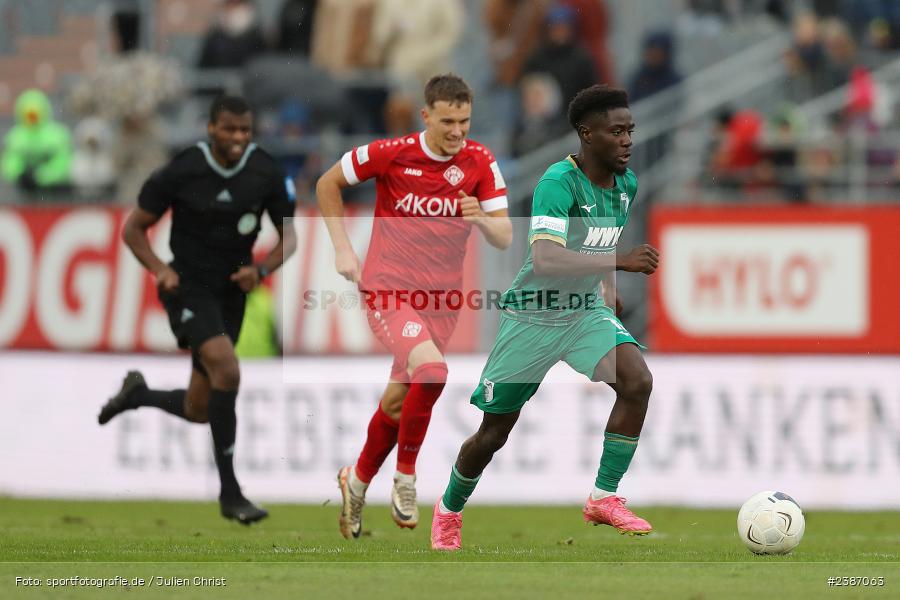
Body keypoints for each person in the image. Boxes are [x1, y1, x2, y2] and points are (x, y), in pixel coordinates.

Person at [430, 85, 659, 550]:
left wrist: (606, 286)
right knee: (494, 434)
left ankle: (604, 496)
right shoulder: (558, 183)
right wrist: (619, 264)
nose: (627, 141)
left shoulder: (626, 184)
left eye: (630, 131)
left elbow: (600, 237)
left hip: (582, 314)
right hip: (532, 318)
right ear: (587, 134)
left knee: (637, 381)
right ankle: (449, 509)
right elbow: (547, 258)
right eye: (616, 132)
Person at [316, 74, 513, 539]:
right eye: (447, 122)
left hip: (442, 301)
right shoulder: (392, 153)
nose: (457, 131)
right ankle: (405, 478)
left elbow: (504, 235)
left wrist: (481, 219)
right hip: (389, 290)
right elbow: (327, 183)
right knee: (433, 372)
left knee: (399, 398)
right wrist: (342, 248)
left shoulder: (480, 161)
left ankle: (356, 481)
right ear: (426, 116)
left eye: (464, 121)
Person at [97, 96, 297, 524]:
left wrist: (261, 270)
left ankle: (138, 395)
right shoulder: (183, 168)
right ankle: (231, 493)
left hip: (232, 292)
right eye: (230, 129)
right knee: (227, 368)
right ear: (211, 129)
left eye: (245, 130)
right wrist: (160, 269)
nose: (239, 138)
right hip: (188, 288)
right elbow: (133, 228)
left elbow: (289, 237)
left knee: (199, 408)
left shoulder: (265, 172)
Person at [1, 89, 72, 193]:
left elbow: (63, 163)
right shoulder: (15, 137)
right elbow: (10, 163)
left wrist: (41, 176)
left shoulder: (57, 135)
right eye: (29, 115)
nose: (32, 119)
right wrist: (20, 175)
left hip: (54, 190)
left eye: (35, 115)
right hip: (23, 190)